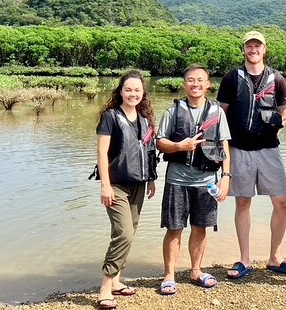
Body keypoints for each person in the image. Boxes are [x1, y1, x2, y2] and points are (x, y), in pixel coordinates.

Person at [217, 30, 286, 279]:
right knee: (243, 202)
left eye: (258, 46)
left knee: (283, 202)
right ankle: (244, 260)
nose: (253, 50)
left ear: (265, 49)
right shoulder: (232, 78)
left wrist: (274, 124)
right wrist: (223, 153)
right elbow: (221, 115)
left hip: (268, 150)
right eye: (249, 46)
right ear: (244, 49)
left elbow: (285, 114)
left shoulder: (277, 78)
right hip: (239, 150)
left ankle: (275, 257)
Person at [156, 64, 232, 295]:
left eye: (200, 80)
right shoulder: (173, 111)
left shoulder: (217, 112)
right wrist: (179, 145)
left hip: (207, 180)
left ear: (208, 84)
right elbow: (160, 142)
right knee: (174, 228)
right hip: (177, 179)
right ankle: (169, 275)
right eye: (191, 80)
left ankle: (196, 270)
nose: (195, 84)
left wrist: (226, 178)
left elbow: (225, 145)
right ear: (184, 83)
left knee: (201, 227)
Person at [94, 70, 158, 310]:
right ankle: (105, 287)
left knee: (130, 230)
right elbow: (102, 152)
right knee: (124, 234)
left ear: (143, 93)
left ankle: (118, 281)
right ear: (120, 91)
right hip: (117, 185)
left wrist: (151, 179)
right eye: (128, 89)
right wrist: (105, 185)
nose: (133, 94)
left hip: (138, 184)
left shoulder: (144, 120)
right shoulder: (111, 116)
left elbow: (149, 153)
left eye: (137, 90)